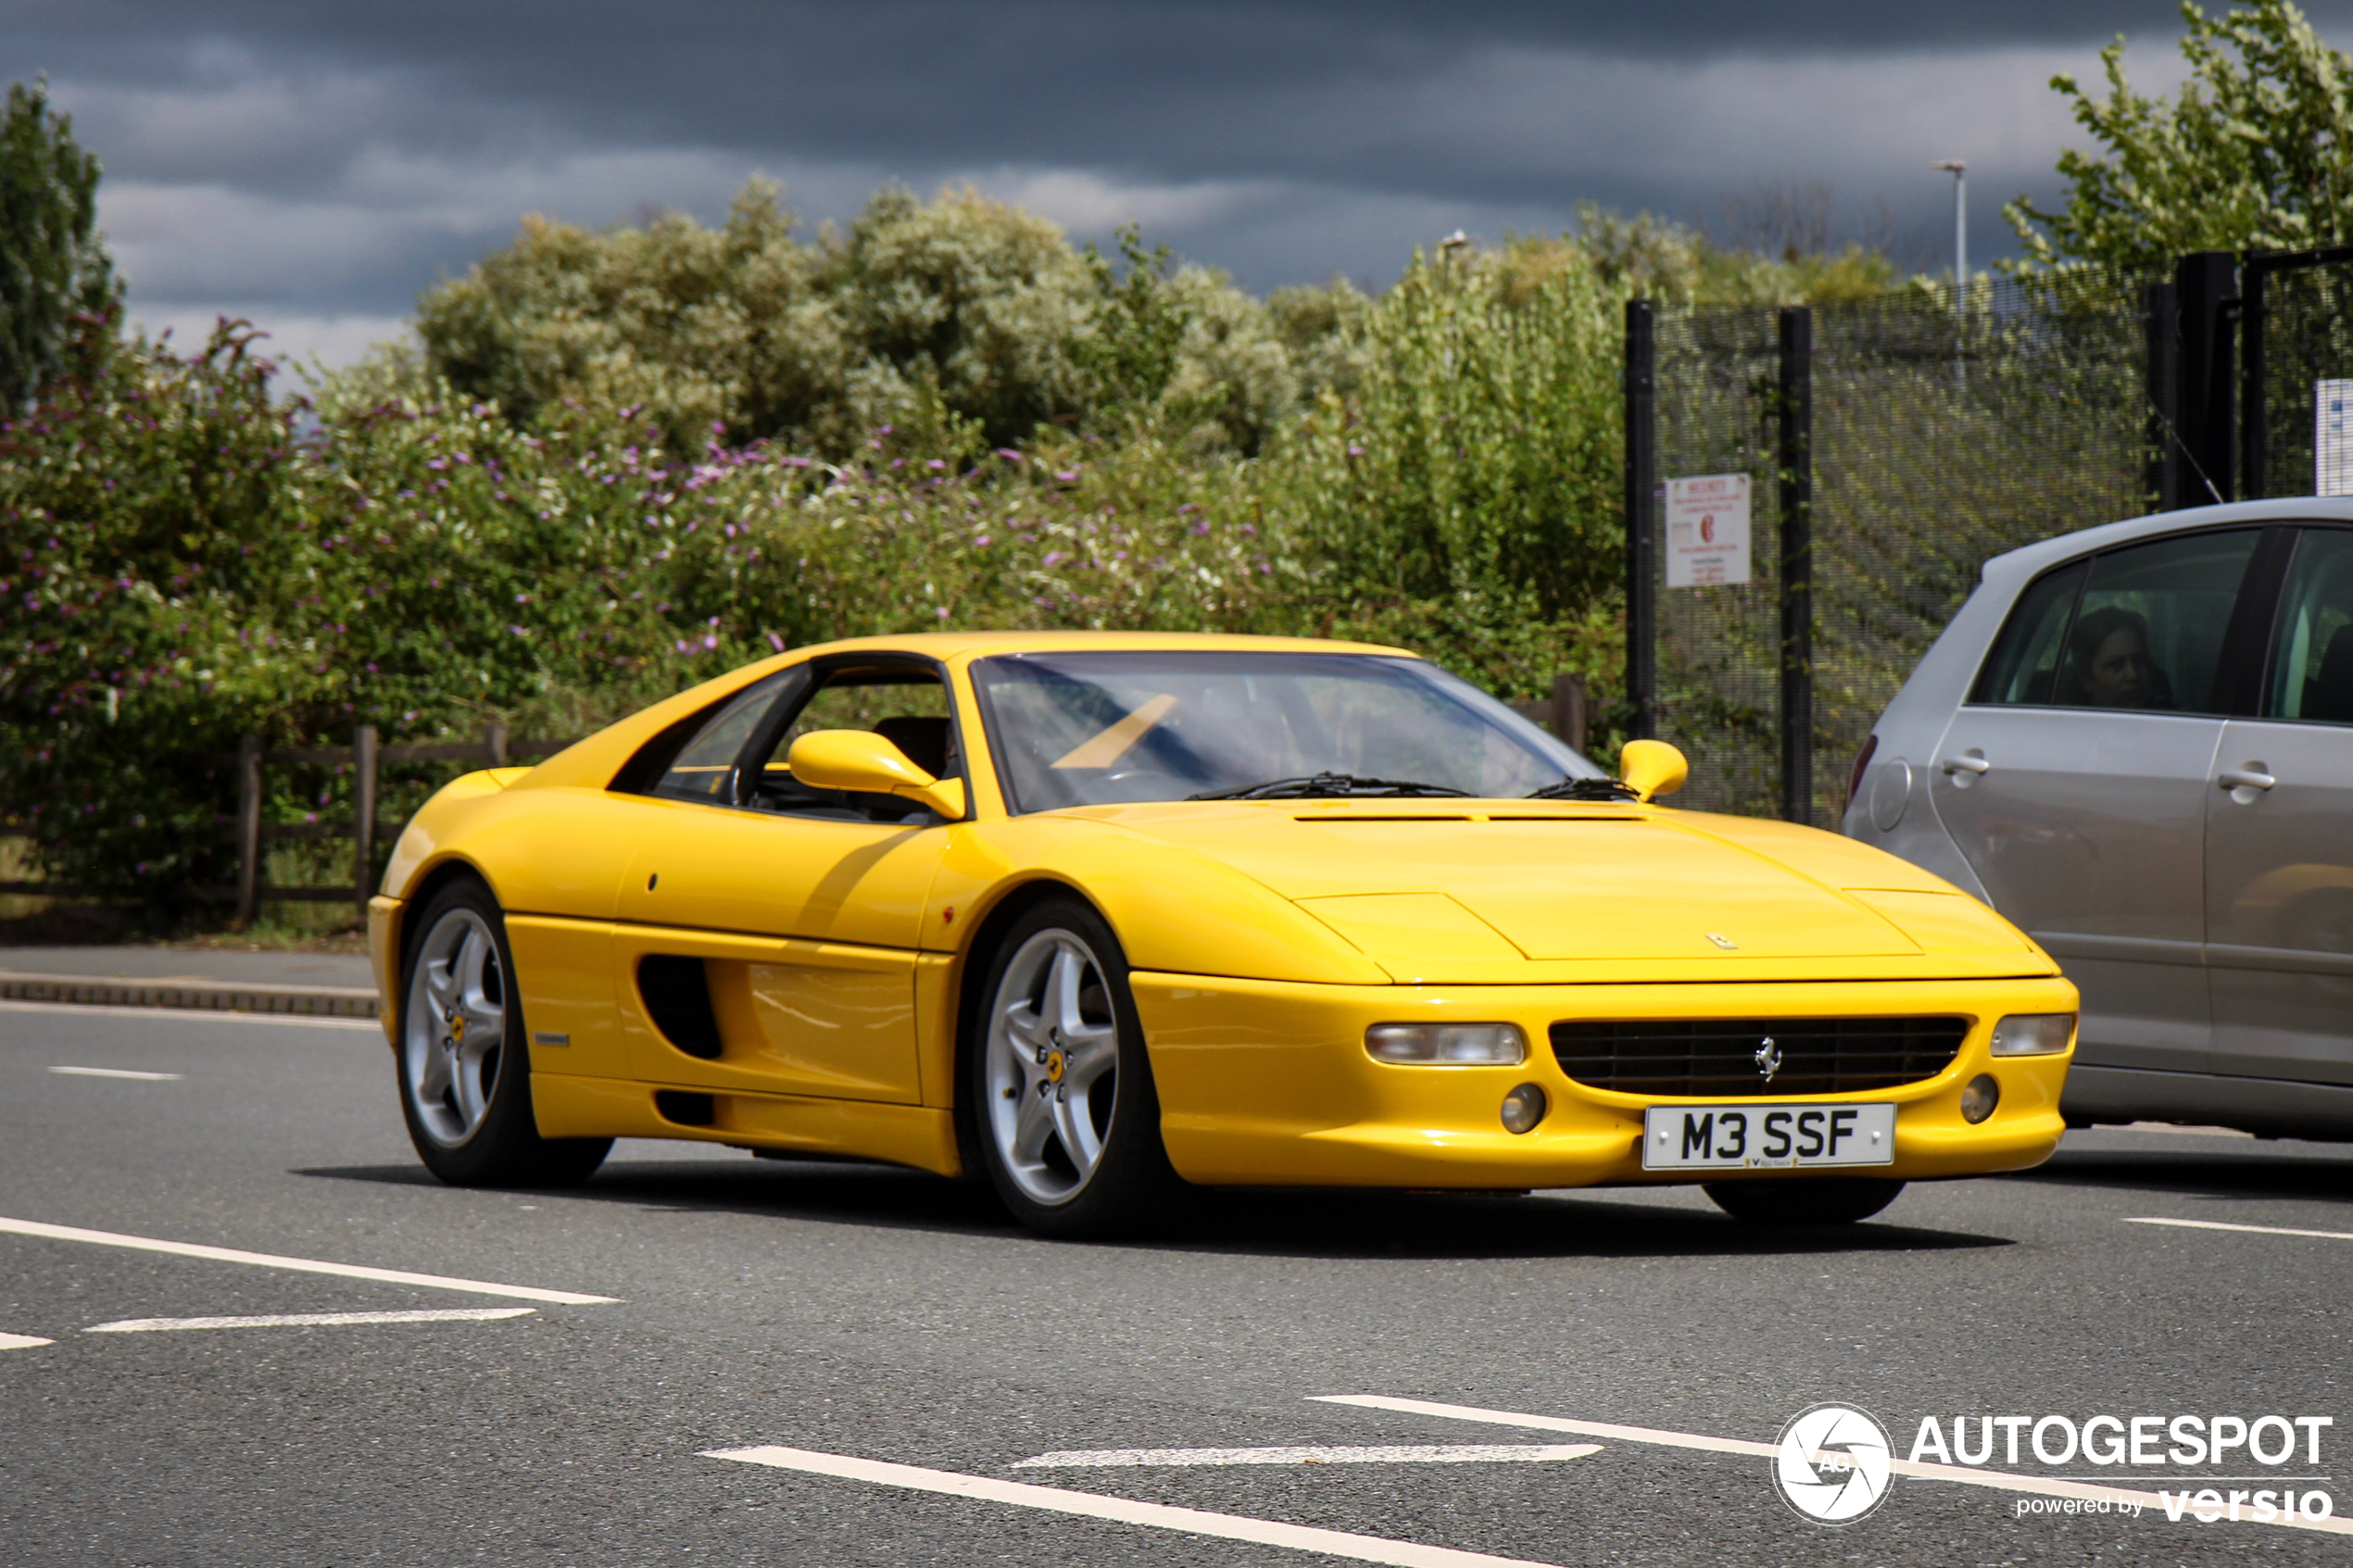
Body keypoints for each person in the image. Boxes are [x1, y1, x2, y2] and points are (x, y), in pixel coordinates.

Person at [2057, 606, 2174, 709]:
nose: (2132, 675)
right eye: (2116, 665)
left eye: (2138, 661)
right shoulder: (2066, 725)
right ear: (2086, 678)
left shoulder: (2175, 720)